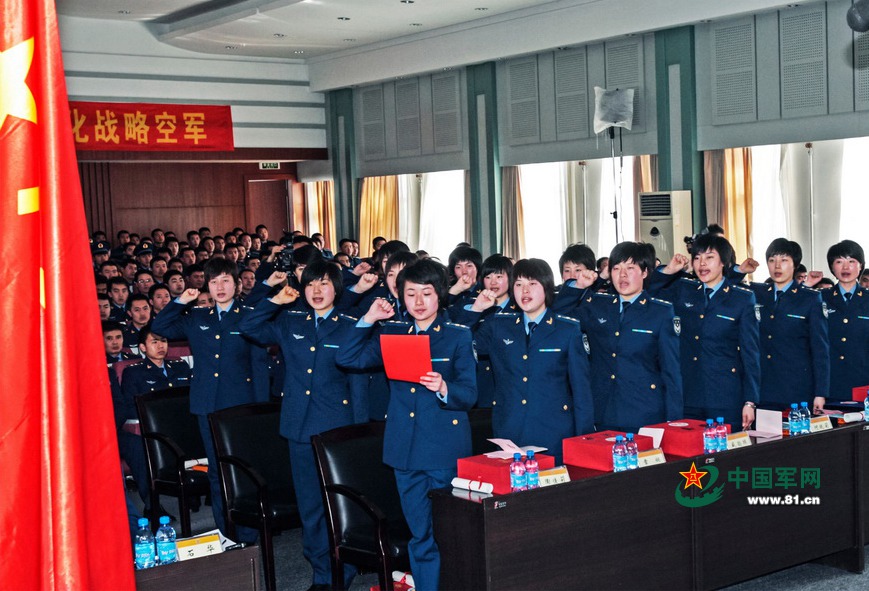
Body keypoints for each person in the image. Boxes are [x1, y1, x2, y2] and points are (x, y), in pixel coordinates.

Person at [337, 259, 477, 591]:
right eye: (410, 293)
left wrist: (444, 387)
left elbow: (469, 394)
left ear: (439, 294)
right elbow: (347, 358)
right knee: (421, 534)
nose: (418, 301)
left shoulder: (457, 336)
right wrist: (369, 318)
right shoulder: (392, 333)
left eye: (426, 293)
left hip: (443, 450)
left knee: (451, 534)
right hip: (405, 450)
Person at [240, 260, 367, 591]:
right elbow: (248, 326)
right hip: (299, 428)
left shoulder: (351, 324)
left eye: (324, 283)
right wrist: (273, 300)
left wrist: (358, 431)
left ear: (337, 289)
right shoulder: (290, 320)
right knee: (310, 506)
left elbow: (358, 384)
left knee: (341, 505)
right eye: (310, 284)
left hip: (337, 429)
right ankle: (322, 574)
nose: (316, 290)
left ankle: (345, 568)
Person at [152, 258, 271, 542]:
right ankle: (225, 531)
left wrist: (260, 410)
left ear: (237, 284)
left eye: (225, 280)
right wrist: (181, 300)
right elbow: (160, 326)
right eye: (214, 281)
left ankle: (249, 532)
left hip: (241, 407)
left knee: (244, 469)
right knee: (217, 471)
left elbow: (258, 366)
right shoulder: (198, 317)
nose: (220, 287)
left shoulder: (249, 316)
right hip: (207, 406)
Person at [472, 258, 594, 460]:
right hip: (509, 432)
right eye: (519, 284)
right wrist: (476, 310)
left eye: (532, 284)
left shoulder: (567, 329)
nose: (525, 291)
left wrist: (584, 439)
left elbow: (581, 391)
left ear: (546, 287)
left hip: (554, 433)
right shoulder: (498, 326)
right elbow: (459, 344)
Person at [554, 242, 682, 433]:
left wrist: (674, 422)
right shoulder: (598, 305)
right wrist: (578, 286)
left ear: (645, 272)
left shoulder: (660, 312)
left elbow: (671, 371)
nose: (622, 275)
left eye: (630, 268)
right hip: (602, 410)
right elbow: (558, 317)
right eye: (616, 268)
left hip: (644, 412)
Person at [650, 235, 759, 430]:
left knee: (725, 449)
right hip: (687, 395)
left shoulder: (741, 298)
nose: (702, 264)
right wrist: (668, 271)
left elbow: (750, 352)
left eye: (709, 257)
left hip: (725, 396)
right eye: (697, 258)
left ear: (723, 262)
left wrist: (750, 401)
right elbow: (648, 293)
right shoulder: (683, 290)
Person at [749, 238, 829, 412]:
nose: (777, 266)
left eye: (784, 260)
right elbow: (724, 288)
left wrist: (820, 392)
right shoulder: (757, 294)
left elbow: (820, 349)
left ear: (795, 265)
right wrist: (739, 271)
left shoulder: (809, 298)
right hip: (762, 388)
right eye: (772, 260)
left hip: (796, 388)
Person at [809, 240, 869, 399]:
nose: (846, 267)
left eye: (852, 261)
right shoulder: (819, 298)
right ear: (832, 267)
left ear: (861, 266)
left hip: (863, 383)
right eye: (839, 262)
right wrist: (807, 285)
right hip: (828, 384)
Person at [121, 326, 192, 396]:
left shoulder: (181, 367)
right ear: (143, 347)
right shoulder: (133, 373)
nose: (161, 346)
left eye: (163, 341)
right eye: (154, 342)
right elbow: (131, 402)